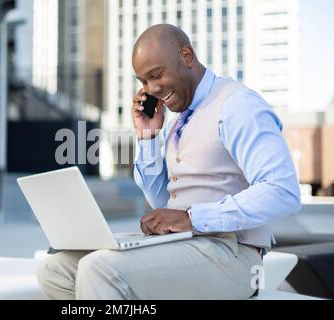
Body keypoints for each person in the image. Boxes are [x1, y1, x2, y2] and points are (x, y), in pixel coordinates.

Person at [36, 24, 301, 300]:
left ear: (187, 56)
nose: (152, 89)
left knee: (99, 269)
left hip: (234, 258)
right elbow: (163, 202)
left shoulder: (237, 105)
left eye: (156, 75)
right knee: (57, 270)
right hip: (182, 247)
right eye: (143, 82)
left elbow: (282, 190)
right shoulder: (179, 121)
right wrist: (149, 137)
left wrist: (191, 218)